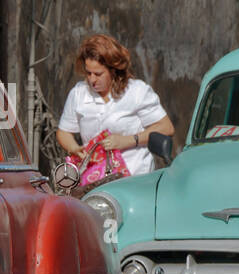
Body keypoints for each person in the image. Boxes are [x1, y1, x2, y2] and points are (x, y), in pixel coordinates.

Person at [56, 33, 175, 177]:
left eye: (98, 74)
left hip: (134, 178)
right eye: (88, 73)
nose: (92, 79)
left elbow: (166, 128)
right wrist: (73, 148)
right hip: (93, 180)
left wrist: (128, 141)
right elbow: (64, 131)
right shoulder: (78, 93)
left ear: (113, 71)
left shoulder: (137, 91)